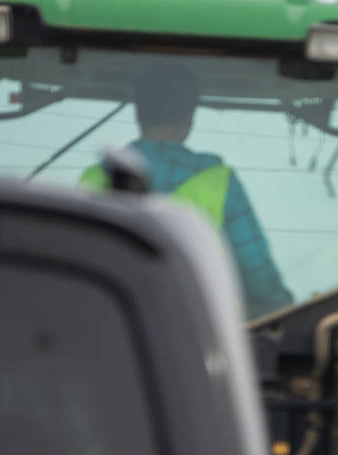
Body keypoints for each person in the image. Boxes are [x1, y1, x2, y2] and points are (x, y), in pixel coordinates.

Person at [80, 62, 292, 316]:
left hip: (114, 338)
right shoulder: (220, 183)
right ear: (190, 117)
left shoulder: (94, 179)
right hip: (200, 341)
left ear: (138, 112)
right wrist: (287, 309)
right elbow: (258, 275)